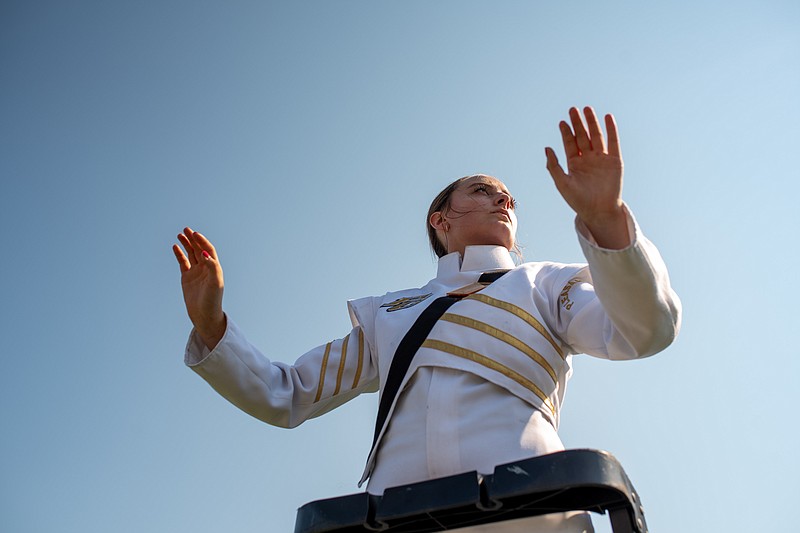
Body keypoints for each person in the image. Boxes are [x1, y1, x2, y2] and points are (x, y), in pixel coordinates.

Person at [172, 107, 681, 532]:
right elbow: (285, 394)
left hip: (533, 507)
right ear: (441, 220)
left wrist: (605, 218)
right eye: (482, 191)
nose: (503, 200)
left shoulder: (547, 283)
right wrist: (213, 323)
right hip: (400, 516)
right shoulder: (387, 313)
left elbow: (644, 331)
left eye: (509, 198)